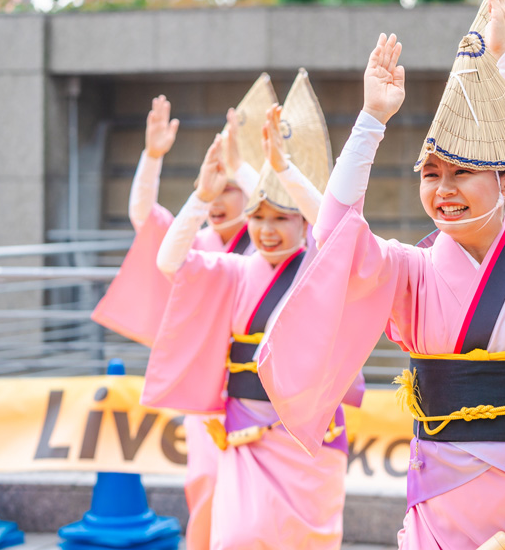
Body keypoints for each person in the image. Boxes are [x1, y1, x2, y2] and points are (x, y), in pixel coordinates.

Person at [258, 0, 505, 549]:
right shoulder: (409, 271)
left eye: (462, 172)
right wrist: (371, 120)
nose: (443, 189)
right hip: (441, 501)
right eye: (431, 174)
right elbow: (335, 232)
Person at [144, 70, 365, 550]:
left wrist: (278, 170)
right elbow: (169, 262)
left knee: (307, 541)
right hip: (244, 430)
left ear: (302, 223)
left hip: (309, 436)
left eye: (280, 218)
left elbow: (335, 227)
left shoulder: (322, 269)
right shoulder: (236, 270)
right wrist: (202, 197)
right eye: (257, 217)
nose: (266, 229)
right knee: (238, 537)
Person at [92, 76, 276, 550]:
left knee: (263, 506)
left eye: (229, 187)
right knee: (206, 488)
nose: (216, 200)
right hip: (209, 389)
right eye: (210, 187)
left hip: (267, 395)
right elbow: (145, 217)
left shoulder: (272, 246)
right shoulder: (195, 244)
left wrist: (245, 167)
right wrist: (153, 156)